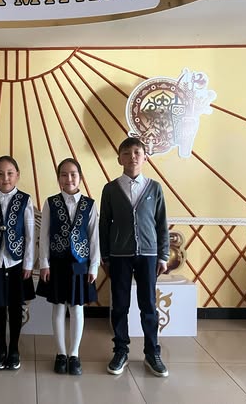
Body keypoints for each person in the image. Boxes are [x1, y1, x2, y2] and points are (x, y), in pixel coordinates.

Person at [99, 137, 170, 378]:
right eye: (127, 153)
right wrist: (105, 256)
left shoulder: (154, 188)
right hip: (119, 255)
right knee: (120, 305)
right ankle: (120, 350)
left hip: (149, 255)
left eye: (137, 152)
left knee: (148, 305)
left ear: (145, 157)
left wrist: (163, 255)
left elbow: (161, 223)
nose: (133, 157)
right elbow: (104, 225)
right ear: (119, 159)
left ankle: (152, 352)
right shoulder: (110, 189)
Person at [36, 158, 99, 376]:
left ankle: (74, 353)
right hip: (57, 262)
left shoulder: (90, 204)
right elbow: (44, 235)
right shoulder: (50, 203)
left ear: (80, 177)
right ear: (58, 178)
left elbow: (94, 237)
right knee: (58, 308)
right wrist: (44, 263)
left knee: (76, 307)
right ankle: (61, 353)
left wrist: (94, 266)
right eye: (64, 174)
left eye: (73, 174)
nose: (68, 178)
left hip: (80, 264)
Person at [0, 155, 36, 370]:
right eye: (0, 174)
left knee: (15, 306)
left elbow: (30, 234)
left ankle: (14, 349)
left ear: (17, 175)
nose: (5, 178)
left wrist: (28, 263)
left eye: (10, 173)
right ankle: (1, 348)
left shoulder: (25, 200)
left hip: (16, 262)